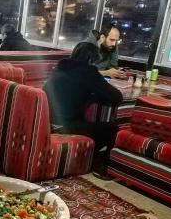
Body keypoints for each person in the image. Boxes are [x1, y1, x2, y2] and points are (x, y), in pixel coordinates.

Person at [43, 42, 123, 178]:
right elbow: (116, 96)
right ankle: (98, 163)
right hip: (65, 125)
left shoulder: (60, 67)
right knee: (113, 129)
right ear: (91, 60)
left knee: (91, 125)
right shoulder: (87, 71)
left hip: (47, 122)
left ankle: (89, 156)